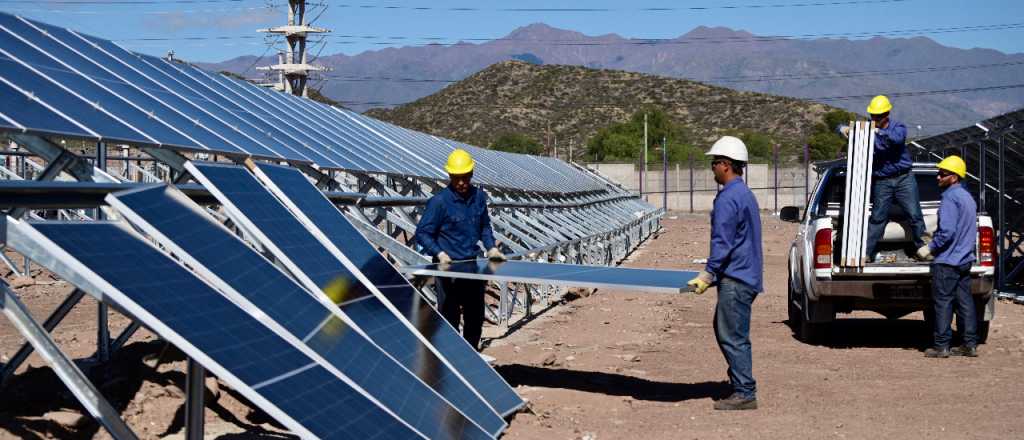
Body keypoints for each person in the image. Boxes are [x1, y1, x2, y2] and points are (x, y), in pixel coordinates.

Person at [687, 136, 763, 411]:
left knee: (732, 336)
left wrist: (709, 274)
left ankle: (744, 392)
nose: (712, 168)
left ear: (726, 165)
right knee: (728, 331)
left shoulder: (728, 198)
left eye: (714, 163)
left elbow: (723, 241)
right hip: (746, 275)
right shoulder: (745, 194)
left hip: (736, 278)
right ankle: (740, 384)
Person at [415, 149, 505, 351]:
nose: (461, 182)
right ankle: (453, 357)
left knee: (475, 314)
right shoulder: (439, 202)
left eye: (465, 177)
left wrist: (491, 247)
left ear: (471, 174)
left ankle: (471, 353)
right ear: (450, 176)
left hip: (471, 266)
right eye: (457, 178)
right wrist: (439, 253)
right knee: (450, 316)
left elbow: (484, 226)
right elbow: (423, 233)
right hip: (447, 268)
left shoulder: (478, 197)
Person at [918, 155, 979, 358]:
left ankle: (941, 346)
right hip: (964, 259)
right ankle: (969, 344)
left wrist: (930, 248)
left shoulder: (949, 198)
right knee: (965, 303)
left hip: (947, 261)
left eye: (942, 174)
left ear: (954, 177)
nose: (938, 177)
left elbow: (947, 232)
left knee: (943, 303)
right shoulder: (967, 197)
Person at [856, 95, 928, 262]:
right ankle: (866, 252)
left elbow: (896, 139)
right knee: (878, 217)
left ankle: (924, 249)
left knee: (914, 215)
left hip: (904, 178)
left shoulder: (898, 127)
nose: (875, 118)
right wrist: (843, 129)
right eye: (873, 115)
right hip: (883, 180)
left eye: (878, 116)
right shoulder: (868, 129)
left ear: (886, 114)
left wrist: (878, 132)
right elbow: (844, 128)